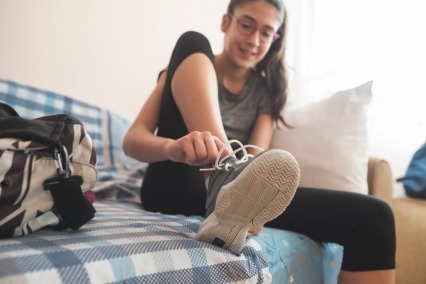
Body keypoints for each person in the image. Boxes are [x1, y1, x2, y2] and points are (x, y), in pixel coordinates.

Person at [123, 0, 396, 283]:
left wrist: (260, 201)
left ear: (274, 39)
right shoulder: (184, 64)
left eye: (266, 32)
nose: (254, 40)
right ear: (226, 22)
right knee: (192, 40)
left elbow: (256, 157)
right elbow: (132, 141)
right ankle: (225, 173)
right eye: (246, 25)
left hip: (227, 201)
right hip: (173, 183)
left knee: (374, 217)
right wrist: (172, 148)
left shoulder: (265, 92)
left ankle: (231, 187)